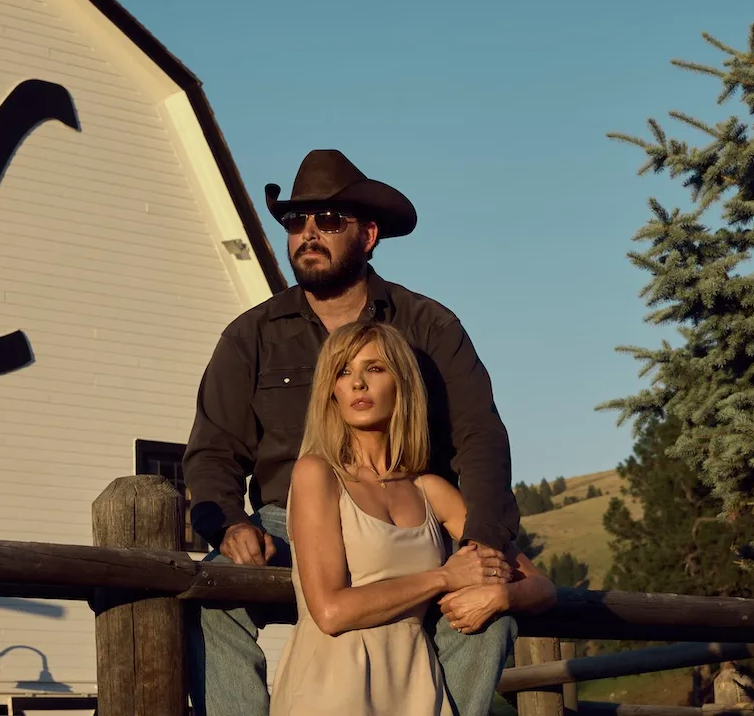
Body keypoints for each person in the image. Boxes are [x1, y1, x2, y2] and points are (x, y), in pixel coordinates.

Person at [183, 148, 523, 716]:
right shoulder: (251, 336)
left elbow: (481, 437)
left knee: (490, 612)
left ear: (367, 235)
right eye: (296, 222)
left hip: (408, 514)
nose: (307, 234)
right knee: (212, 598)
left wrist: (481, 540)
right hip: (287, 519)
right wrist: (230, 522)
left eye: (328, 221)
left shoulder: (429, 327)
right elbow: (213, 449)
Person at [269, 321, 557, 715]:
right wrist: (444, 577)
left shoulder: (430, 490)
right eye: (343, 371)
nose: (357, 384)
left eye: (374, 368)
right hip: (332, 687)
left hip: (418, 690)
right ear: (330, 391)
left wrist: (501, 595)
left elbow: (543, 587)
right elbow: (331, 612)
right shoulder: (317, 474)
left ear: (400, 383)